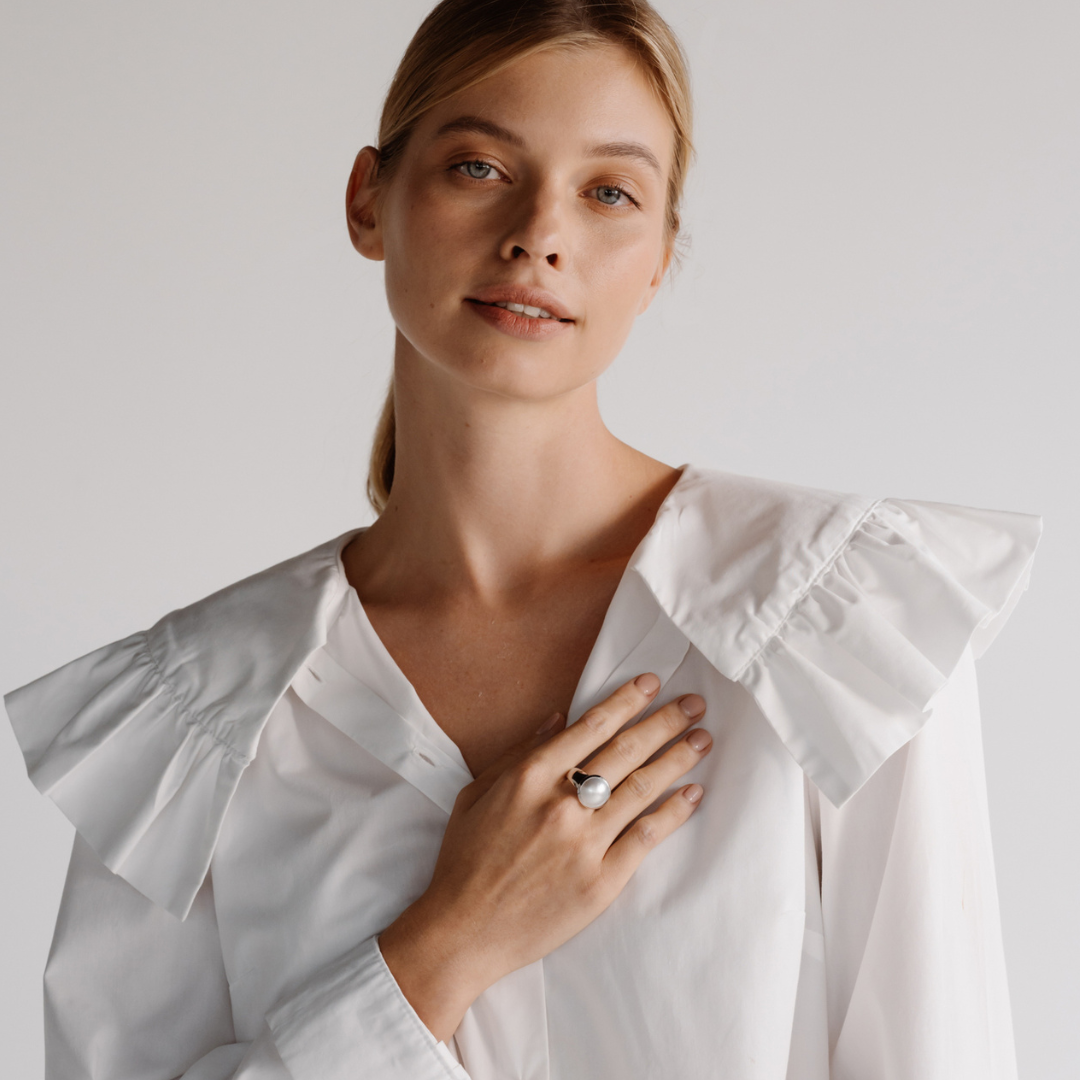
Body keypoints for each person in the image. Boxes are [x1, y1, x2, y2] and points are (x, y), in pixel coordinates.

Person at [4, 1, 1041, 1077]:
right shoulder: (199, 720)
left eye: (609, 193)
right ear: (370, 200)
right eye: (480, 167)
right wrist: (443, 951)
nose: (540, 233)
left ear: (660, 258)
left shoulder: (836, 624)